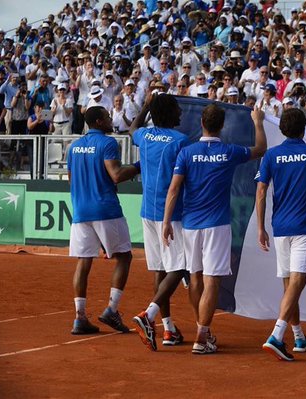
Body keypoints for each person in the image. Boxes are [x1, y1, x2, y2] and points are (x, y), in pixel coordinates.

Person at [161, 105, 267, 354]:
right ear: (221, 126)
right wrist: (258, 121)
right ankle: (201, 336)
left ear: (202, 123)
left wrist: (166, 221)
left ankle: (203, 332)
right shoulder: (229, 151)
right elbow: (261, 149)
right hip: (217, 225)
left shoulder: (187, 152)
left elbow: (174, 189)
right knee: (212, 280)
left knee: (195, 277)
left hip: (190, 224)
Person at [256, 108, 306, 361]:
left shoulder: (271, 155)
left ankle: (299, 336)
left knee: (290, 284)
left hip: (280, 227)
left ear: (282, 129)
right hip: (303, 227)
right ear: (304, 129)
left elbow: (260, 192)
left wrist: (260, 227)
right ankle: (277, 336)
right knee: (297, 283)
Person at [67, 106, 140, 335]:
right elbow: (116, 174)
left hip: (80, 211)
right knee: (124, 257)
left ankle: (80, 318)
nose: (111, 120)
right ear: (99, 122)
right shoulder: (108, 143)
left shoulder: (73, 146)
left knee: (84, 261)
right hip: (106, 209)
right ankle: (112, 309)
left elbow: (71, 180)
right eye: (108, 118)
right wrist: (140, 165)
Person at [129, 94, 189, 351]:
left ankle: (168, 329)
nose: (180, 113)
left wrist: (144, 107)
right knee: (180, 266)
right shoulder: (181, 141)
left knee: (160, 270)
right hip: (171, 213)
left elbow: (132, 128)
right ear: (168, 112)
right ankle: (149, 315)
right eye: (176, 109)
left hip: (147, 211)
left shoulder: (144, 136)